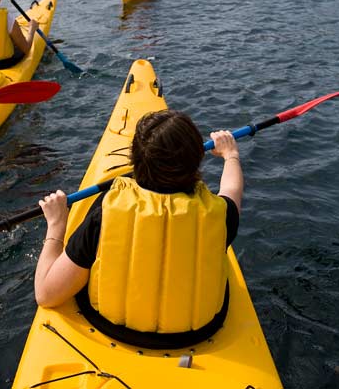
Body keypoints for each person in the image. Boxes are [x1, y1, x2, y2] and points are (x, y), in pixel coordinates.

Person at [34, 110, 242, 349]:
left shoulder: (106, 211)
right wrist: (231, 155)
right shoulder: (220, 213)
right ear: (197, 159)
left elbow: (46, 295)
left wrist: (57, 224)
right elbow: (231, 189)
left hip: (111, 327)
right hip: (197, 332)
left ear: (135, 159)